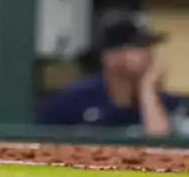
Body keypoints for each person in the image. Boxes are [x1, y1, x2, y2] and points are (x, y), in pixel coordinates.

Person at [37, 11, 188, 137]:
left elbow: (162, 150)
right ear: (111, 56)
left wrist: (147, 89)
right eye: (139, 46)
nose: (149, 54)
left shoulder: (169, 103)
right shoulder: (71, 100)